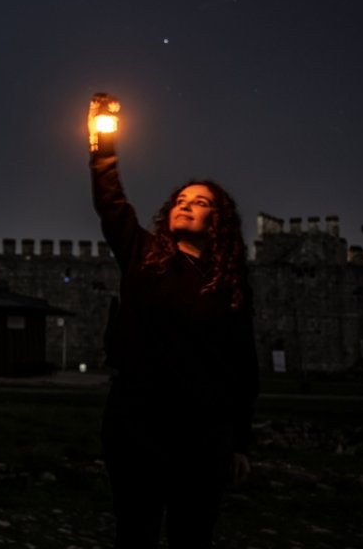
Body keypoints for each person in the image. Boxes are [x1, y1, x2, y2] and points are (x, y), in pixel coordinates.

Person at [87, 93, 259, 548]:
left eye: (199, 202)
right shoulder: (144, 256)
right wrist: (101, 144)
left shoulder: (230, 286)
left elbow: (243, 366)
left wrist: (240, 441)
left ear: (218, 220)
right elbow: (111, 203)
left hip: (204, 433)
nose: (185, 205)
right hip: (138, 422)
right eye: (180, 199)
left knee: (192, 534)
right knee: (136, 532)